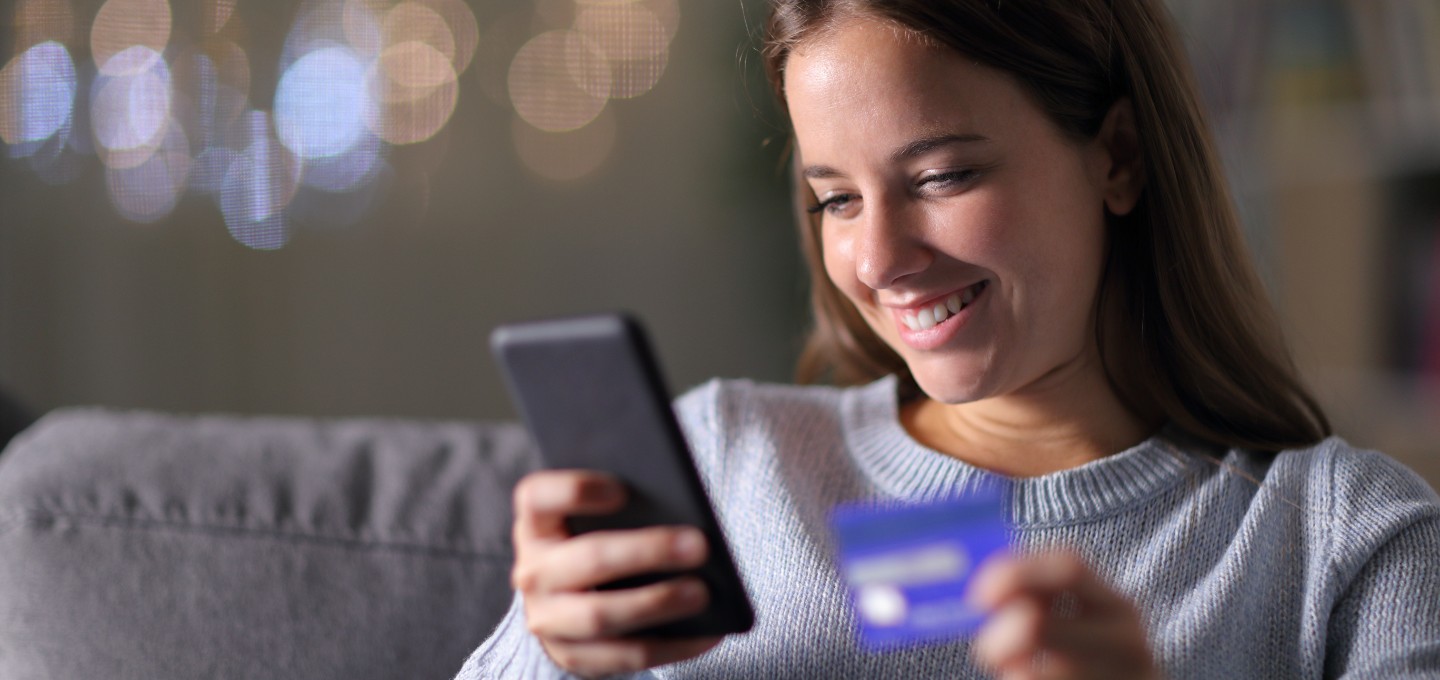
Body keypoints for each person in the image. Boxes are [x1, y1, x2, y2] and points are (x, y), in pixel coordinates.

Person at [456, 0, 1440, 677]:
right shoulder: (719, 461)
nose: (879, 257)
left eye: (942, 178)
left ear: (1120, 158)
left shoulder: (1344, 542)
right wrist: (549, 656)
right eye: (836, 198)